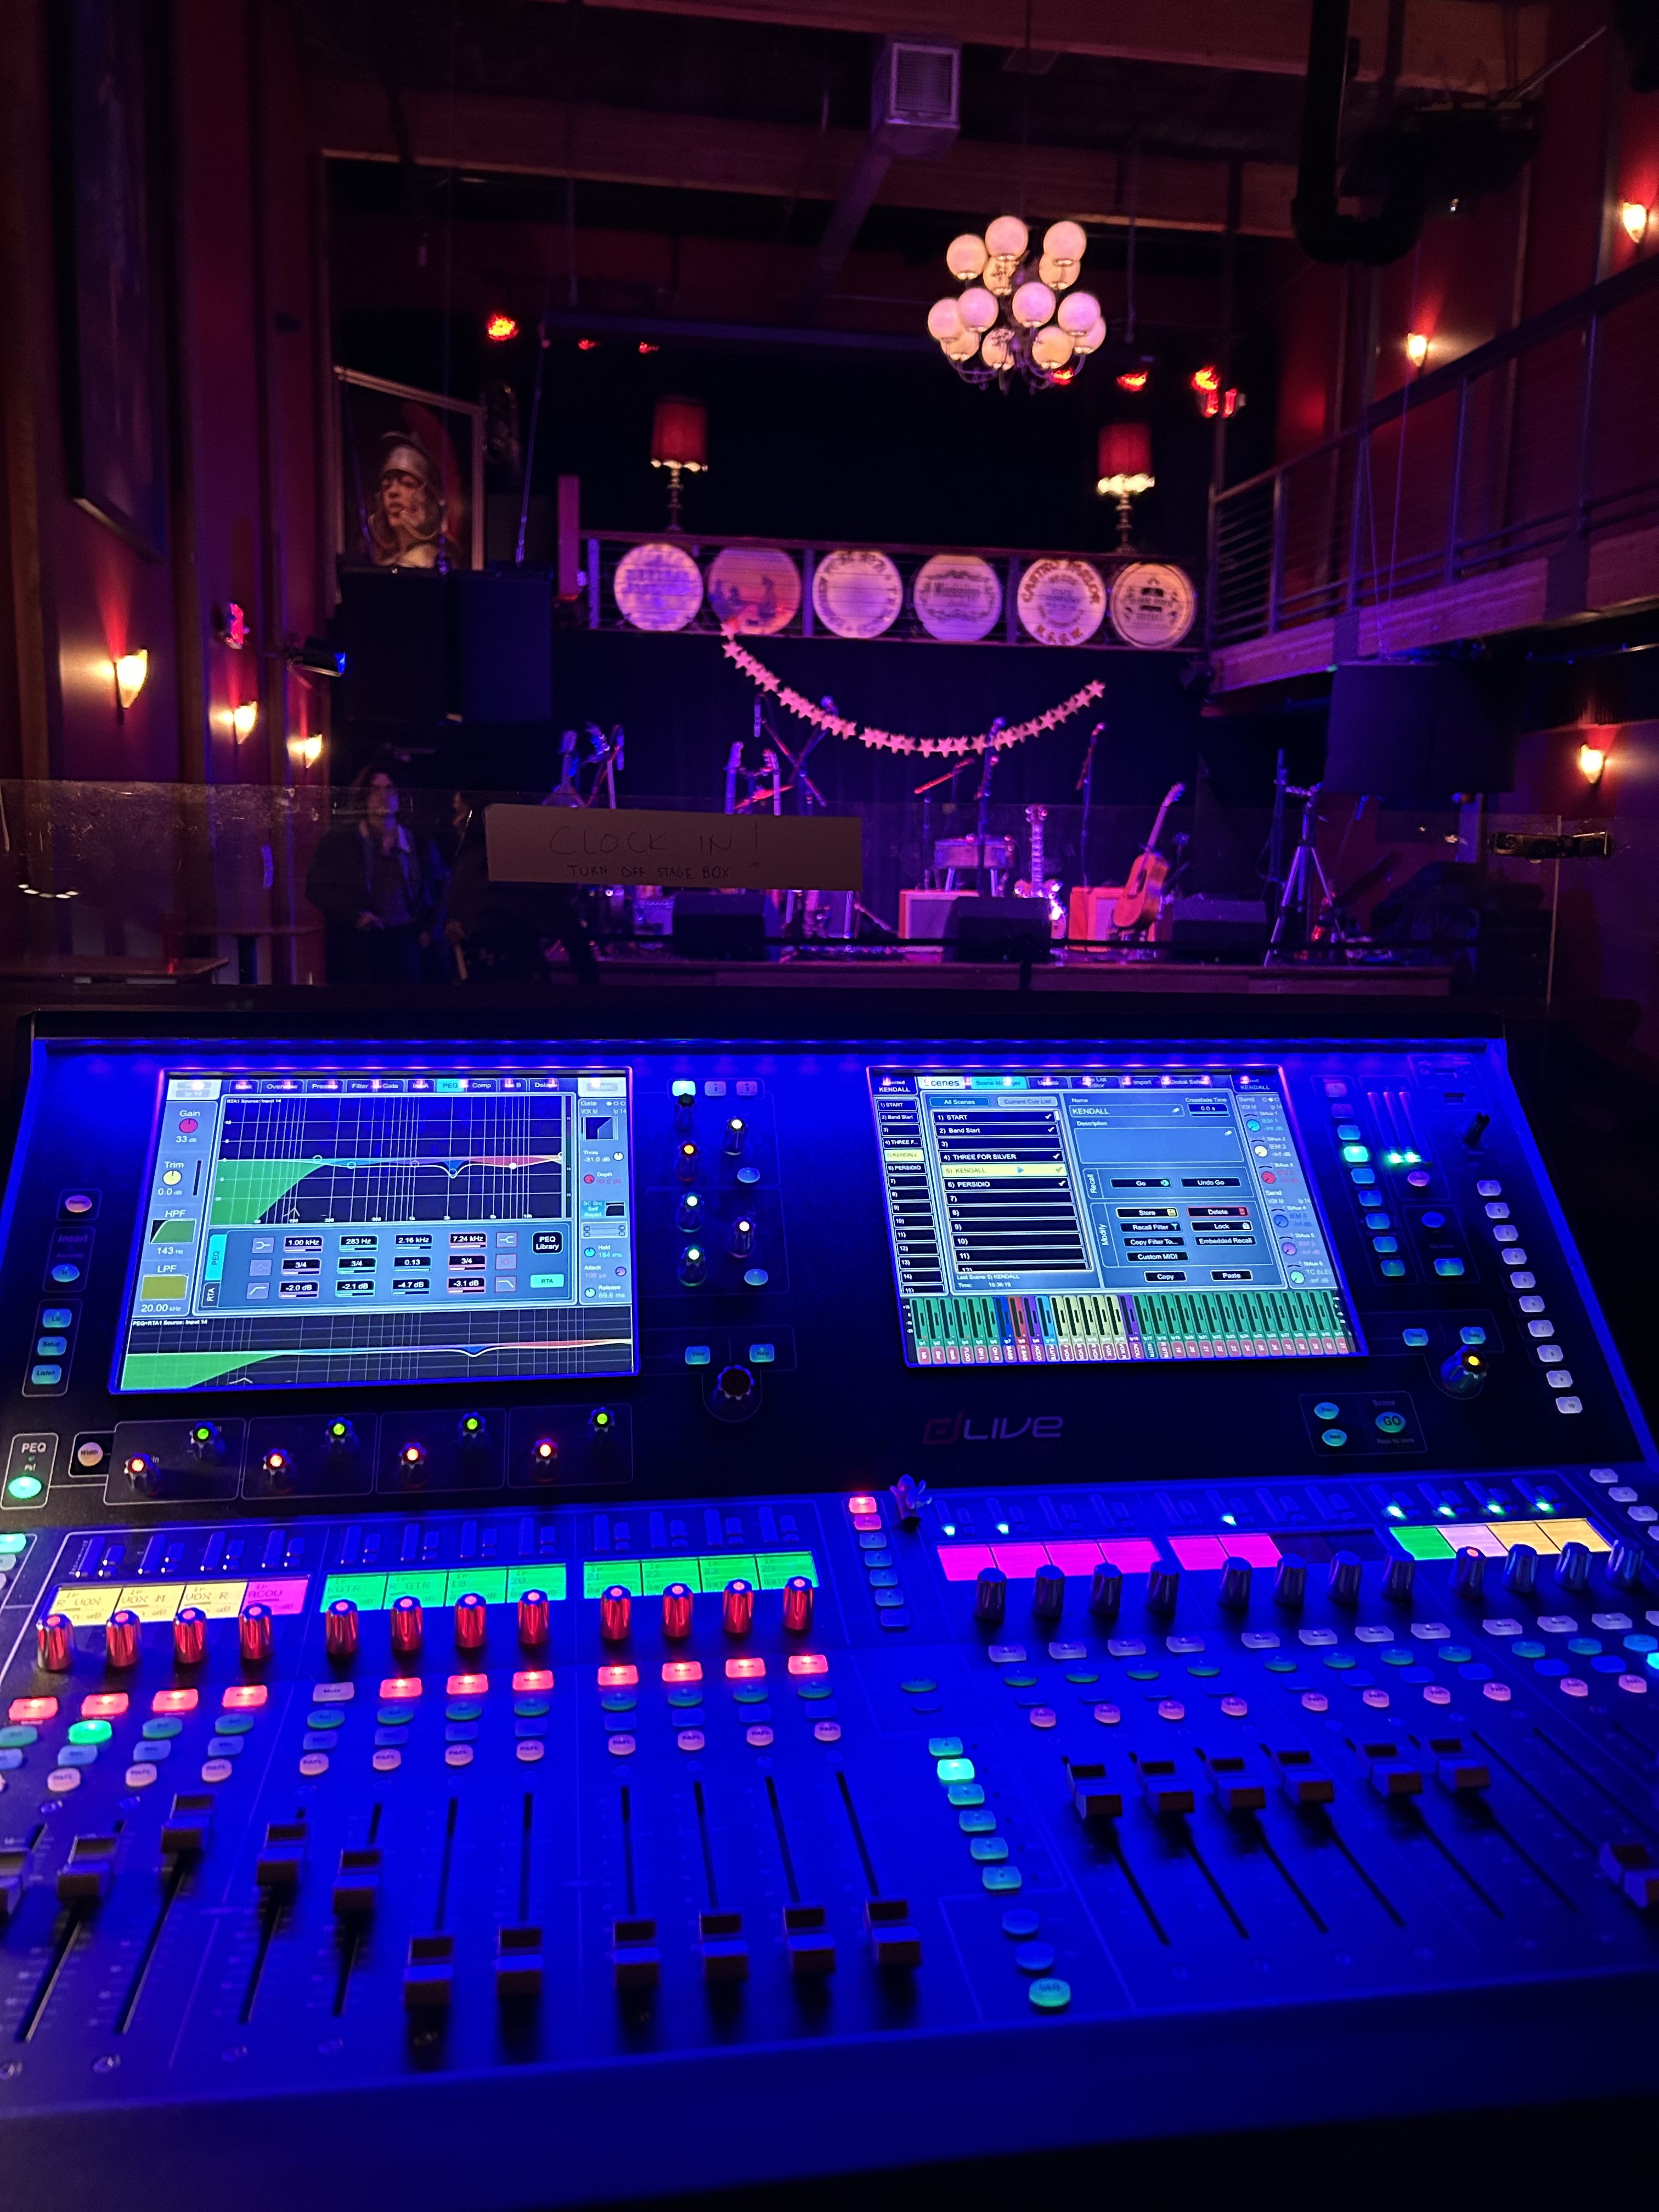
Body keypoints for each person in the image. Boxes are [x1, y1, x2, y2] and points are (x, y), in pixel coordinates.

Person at [306, 765, 445, 988]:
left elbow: (441, 887)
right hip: (358, 945)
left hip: (405, 941)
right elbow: (316, 888)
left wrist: (430, 929)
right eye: (375, 789)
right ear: (364, 796)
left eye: (389, 788)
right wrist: (355, 915)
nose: (383, 795)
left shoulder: (419, 843)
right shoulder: (340, 841)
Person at [446, 792, 599, 986]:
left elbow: (558, 917)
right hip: (506, 984)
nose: (455, 822)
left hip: (503, 986)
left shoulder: (487, 865)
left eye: (461, 812)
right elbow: (563, 920)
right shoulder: (482, 863)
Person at [366, 431, 462, 569]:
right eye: (386, 486)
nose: (393, 492)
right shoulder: (388, 562)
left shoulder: (428, 560)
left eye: (408, 484)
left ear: (429, 499)